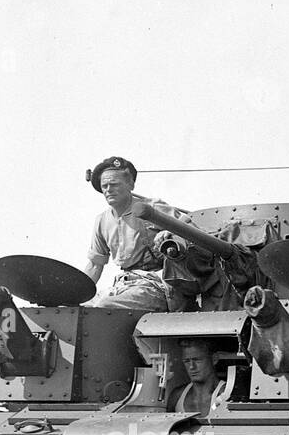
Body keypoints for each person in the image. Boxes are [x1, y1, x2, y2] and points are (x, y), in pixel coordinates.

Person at [83, 155, 191, 311]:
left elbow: (188, 224)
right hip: (124, 285)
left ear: (130, 184)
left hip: (156, 285)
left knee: (105, 308)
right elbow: (95, 265)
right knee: (80, 309)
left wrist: (169, 232)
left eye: (114, 184)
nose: (108, 190)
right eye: (104, 186)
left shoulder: (150, 208)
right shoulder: (102, 221)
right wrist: (74, 296)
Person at [170, 338, 226, 417]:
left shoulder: (226, 393)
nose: (192, 367)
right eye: (187, 361)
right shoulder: (177, 396)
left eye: (197, 360)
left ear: (214, 359)